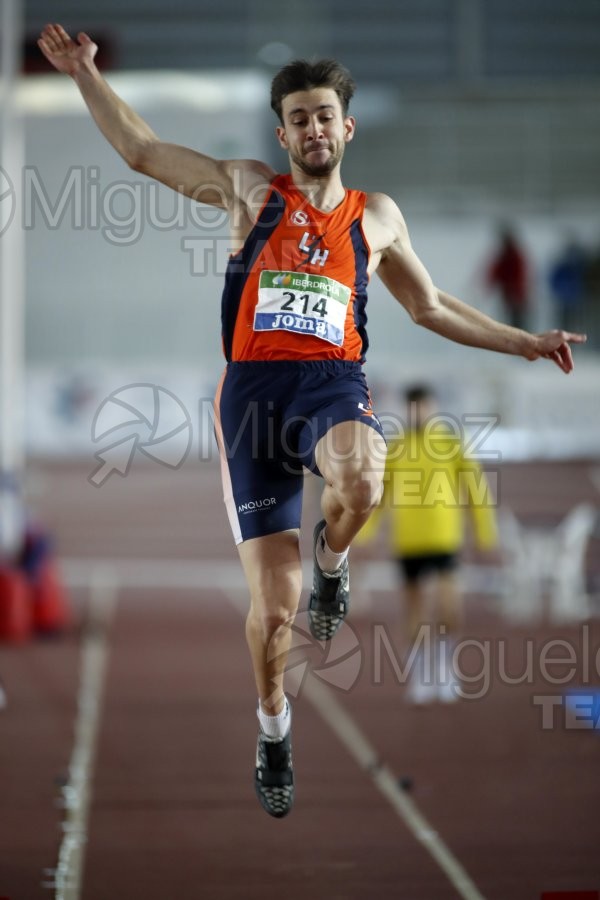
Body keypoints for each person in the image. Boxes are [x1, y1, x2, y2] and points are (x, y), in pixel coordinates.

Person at [38, 24, 586, 818]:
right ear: (283, 131)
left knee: (365, 474)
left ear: (346, 126)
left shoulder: (378, 218)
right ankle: (273, 727)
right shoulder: (251, 190)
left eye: (325, 114)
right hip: (253, 399)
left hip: (332, 385)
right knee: (272, 613)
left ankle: (335, 560)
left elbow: (429, 306)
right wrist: (86, 74)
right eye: (298, 117)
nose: (313, 128)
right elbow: (145, 153)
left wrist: (526, 343)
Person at [356, 385, 498, 705]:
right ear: (408, 409)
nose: (418, 413)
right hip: (408, 541)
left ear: (433, 407)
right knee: (415, 611)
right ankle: (421, 672)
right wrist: (366, 536)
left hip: (444, 538)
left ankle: (445, 665)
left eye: (423, 406)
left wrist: (485, 535)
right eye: (413, 407)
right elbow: (378, 499)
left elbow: (476, 490)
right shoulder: (396, 449)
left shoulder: (451, 444)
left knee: (450, 607)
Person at [486, 225, 530, 330]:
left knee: (517, 322)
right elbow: (496, 272)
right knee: (513, 323)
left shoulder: (513, 255)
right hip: (510, 295)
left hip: (516, 296)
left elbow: (517, 275)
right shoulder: (508, 255)